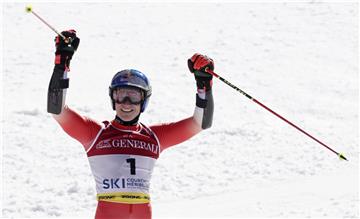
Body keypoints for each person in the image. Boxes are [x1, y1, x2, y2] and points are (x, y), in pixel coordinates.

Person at [48, 30, 214, 219]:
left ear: (144, 101)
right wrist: (62, 63)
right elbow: (57, 110)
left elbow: (200, 123)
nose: (126, 103)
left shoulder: (154, 137)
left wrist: (204, 85)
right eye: (120, 95)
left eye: (134, 97)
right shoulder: (95, 134)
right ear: (113, 99)